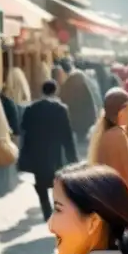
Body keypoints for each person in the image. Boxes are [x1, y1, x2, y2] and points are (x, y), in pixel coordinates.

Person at [18, 81, 78, 220]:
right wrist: (72, 156)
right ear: (55, 91)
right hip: (55, 152)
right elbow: (67, 135)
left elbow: (24, 128)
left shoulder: (32, 108)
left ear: (42, 91)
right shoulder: (61, 109)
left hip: (37, 151)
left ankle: (46, 211)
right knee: (57, 180)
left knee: (40, 181)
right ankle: (58, 208)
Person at [89, 88, 128, 210]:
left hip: (109, 201)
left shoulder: (105, 135)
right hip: (122, 203)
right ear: (122, 111)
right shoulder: (118, 135)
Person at [57, 59, 98, 145]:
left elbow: (63, 97)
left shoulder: (74, 78)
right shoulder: (78, 76)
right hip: (83, 111)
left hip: (80, 112)